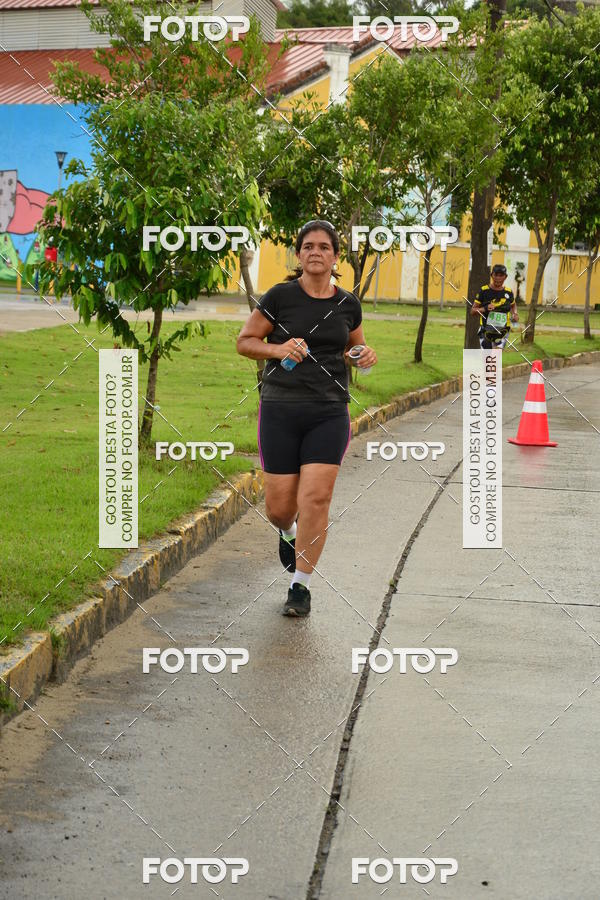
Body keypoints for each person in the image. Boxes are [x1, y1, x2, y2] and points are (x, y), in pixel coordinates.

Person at [236, 220, 377, 617]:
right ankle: (288, 531)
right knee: (280, 508)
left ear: (335, 257)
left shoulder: (348, 304)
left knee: (316, 498)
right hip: (280, 409)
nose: (316, 252)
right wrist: (278, 349)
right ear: (299, 255)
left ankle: (300, 586)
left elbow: (355, 349)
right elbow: (245, 342)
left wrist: (364, 356)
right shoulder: (280, 297)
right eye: (309, 246)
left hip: (328, 412)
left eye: (324, 247)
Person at [470, 263, 519, 349]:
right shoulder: (484, 291)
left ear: (505, 277)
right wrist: (485, 308)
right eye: (496, 275)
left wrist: (515, 314)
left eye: (501, 275)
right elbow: (473, 311)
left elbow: (513, 305)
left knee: (496, 354)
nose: (498, 278)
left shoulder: (508, 292)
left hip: (503, 331)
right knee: (487, 356)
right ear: (492, 275)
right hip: (486, 330)